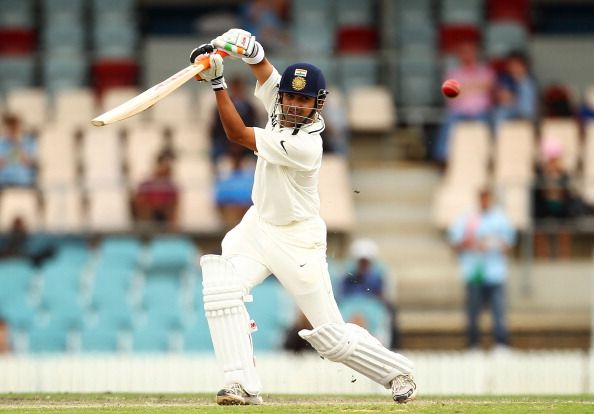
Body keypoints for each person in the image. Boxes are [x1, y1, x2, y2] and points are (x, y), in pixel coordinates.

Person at [189, 28, 416, 405]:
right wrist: (247, 49)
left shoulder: (305, 145)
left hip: (298, 240)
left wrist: (217, 83)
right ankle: (241, 384)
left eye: (303, 100)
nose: (294, 104)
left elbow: (237, 134)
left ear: (317, 105)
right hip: (257, 226)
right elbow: (264, 71)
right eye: (290, 96)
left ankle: (397, 372)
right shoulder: (280, 104)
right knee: (220, 286)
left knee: (330, 338)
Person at [448, 188, 516, 350]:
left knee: (498, 311)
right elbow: (456, 242)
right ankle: (473, 343)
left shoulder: (501, 218)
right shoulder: (468, 218)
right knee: (473, 312)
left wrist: (494, 243)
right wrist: (474, 244)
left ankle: (501, 343)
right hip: (474, 272)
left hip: (495, 273)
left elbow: (509, 244)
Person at [434, 40, 495, 163]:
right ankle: (443, 158)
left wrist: (463, 88)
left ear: (476, 54)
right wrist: (476, 86)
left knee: (490, 123)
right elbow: (450, 94)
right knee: (448, 122)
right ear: (459, 55)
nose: (468, 55)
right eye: (464, 53)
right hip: (459, 112)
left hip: (481, 111)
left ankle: (490, 157)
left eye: (470, 52)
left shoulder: (485, 71)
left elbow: (489, 87)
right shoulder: (453, 73)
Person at [339, 238, 400, 349]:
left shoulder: (380, 273)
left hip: (374, 309)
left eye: (366, 261)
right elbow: (341, 293)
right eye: (361, 261)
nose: (363, 264)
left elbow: (386, 294)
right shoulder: (347, 273)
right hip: (350, 307)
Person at [532, 137, 574, 259]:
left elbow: (566, 194)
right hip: (544, 208)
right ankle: (542, 259)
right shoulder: (540, 172)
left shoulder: (564, 173)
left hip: (560, 208)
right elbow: (541, 194)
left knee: (565, 228)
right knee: (539, 227)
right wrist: (547, 175)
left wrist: (558, 175)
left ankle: (564, 259)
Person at [210, 77, 257, 162]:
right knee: (215, 151)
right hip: (225, 142)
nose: (237, 91)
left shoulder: (250, 108)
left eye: (239, 89)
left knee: (259, 151)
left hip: (245, 143)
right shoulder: (221, 107)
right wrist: (230, 142)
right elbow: (216, 128)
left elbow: (253, 127)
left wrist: (241, 142)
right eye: (235, 89)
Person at [132, 152, 179, 232]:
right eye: (163, 165)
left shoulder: (171, 186)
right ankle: (144, 230)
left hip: (164, 212)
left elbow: (174, 201)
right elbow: (138, 198)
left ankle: (171, 232)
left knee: (172, 207)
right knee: (142, 206)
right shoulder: (147, 183)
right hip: (150, 210)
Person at [493, 50, 538, 130]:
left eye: (517, 65)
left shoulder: (529, 79)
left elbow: (530, 100)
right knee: (499, 113)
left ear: (525, 66)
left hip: (526, 110)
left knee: (526, 87)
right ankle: (498, 139)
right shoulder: (505, 78)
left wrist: (520, 80)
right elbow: (503, 97)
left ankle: (528, 125)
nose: (514, 67)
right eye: (512, 65)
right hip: (509, 108)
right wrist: (511, 98)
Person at [215, 144, 255, 229]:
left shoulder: (251, 168)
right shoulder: (223, 168)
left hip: (247, 212)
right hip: (229, 213)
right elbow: (219, 199)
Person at [0, 113, 37, 187]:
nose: (13, 131)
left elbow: (29, 163)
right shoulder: (2, 143)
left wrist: (18, 145)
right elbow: (1, 163)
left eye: (16, 128)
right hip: (4, 178)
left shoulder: (29, 142)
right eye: (11, 128)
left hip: (23, 178)